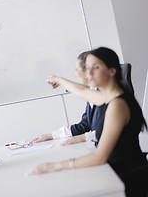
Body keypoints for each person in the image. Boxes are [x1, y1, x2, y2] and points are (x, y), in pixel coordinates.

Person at [32, 47, 148, 197]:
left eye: (96, 67)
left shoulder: (117, 105)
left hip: (129, 180)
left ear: (112, 71)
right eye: (87, 69)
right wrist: (58, 79)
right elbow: (82, 91)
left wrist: (56, 166)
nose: (89, 73)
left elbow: (100, 156)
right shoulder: (107, 98)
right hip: (114, 174)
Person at [31, 51, 106, 146]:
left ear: (87, 72)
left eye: (76, 69)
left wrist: (81, 138)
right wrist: (50, 135)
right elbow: (84, 126)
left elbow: (106, 132)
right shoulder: (93, 94)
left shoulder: (103, 96)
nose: (75, 74)